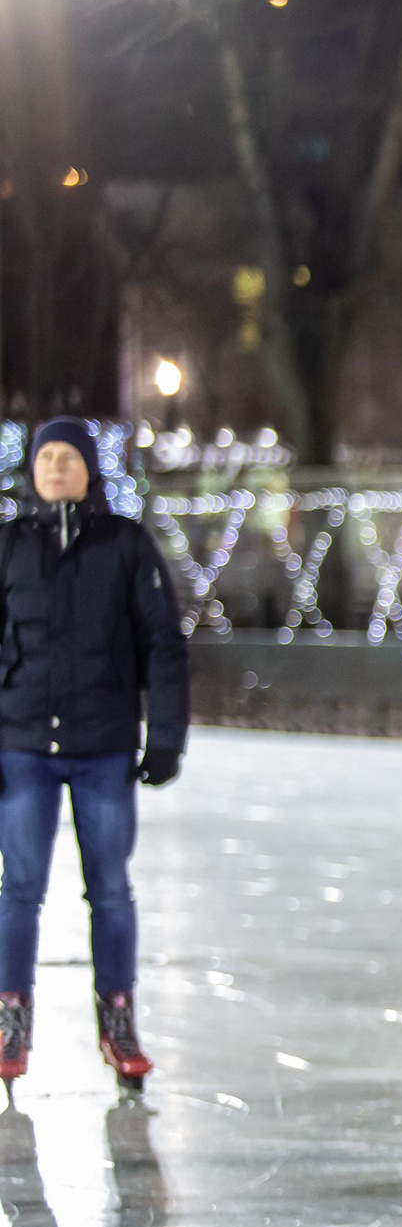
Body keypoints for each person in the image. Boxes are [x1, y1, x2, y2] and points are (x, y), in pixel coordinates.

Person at [0, 418, 188, 1086]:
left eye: (68, 457)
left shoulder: (126, 545)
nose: (56, 468)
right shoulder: (10, 545)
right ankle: (11, 1015)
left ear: (88, 469)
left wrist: (164, 735)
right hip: (22, 743)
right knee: (18, 887)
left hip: (103, 745)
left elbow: (161, 644)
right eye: (45, 457)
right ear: (33, 469)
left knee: (109, 889)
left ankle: (117, 1016)